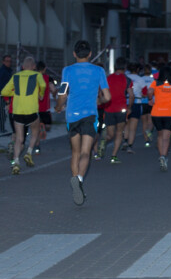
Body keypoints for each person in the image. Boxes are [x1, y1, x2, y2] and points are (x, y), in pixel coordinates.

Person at [55, 40, 110, 205]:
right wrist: (99, 101)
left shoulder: (67, 70)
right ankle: (79, 179)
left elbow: (63, 93)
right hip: (90, 115)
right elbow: (107, 97)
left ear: (74, 54)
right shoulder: (99, 70)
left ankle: (75, 182)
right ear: (90, 54)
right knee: (86, 152)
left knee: (75, 152)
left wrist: (58, 106)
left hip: (72, 115)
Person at [1, 56, 45, 173]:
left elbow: (4, 91)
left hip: (17, 111)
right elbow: (43, 85)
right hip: (31, 111)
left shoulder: (15, 76)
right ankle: (29, 152)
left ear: (23, 66)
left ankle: (16, 162)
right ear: (34, 66)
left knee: (19, 138)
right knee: (35, 132)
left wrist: (15, 92)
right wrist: (40, 94)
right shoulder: (37, 75)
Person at [147, 63, 171, 172]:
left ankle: (161, 155)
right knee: (166, 137)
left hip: (157, 113)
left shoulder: (156, 83)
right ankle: (164, 156)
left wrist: (150, 99)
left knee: (159, 135)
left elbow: (149, 91)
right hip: (169, 114)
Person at [99, 57, 134, 164]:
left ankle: (104, 141)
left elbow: (101, 92)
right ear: (125, 67)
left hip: (109, 108)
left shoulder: (108, 78)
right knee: (119, 132)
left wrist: (101, 102)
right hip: (121, 109)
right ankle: (113, 156)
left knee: (110, 134)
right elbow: (131, 95)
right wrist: (129, 107)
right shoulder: (127, 80)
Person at [33, 61, 56, 154]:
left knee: (36, 129)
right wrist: (55, 93)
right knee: (48, 127)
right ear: (45, 68)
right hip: (45, 108)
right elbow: (53, 89)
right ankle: (43, 127)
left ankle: (37, 146)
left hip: (34, 107)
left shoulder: (33, 78)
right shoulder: (48, 78)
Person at [0, 54, 12, 135]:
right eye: (7, 61)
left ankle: (2, 128)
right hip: (3, 95)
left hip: (6, 95)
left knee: (4, 112)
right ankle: (2, 129)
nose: (9, 63)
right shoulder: (3, 71)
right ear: (3, 62)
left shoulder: (8, 70)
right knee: (2, 112)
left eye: (10, 61)